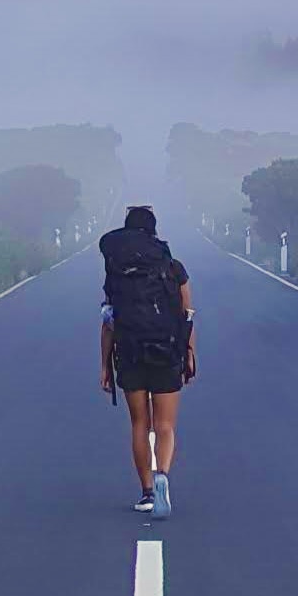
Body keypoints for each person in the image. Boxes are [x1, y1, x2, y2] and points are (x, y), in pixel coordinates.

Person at [98, 205, 194, 518]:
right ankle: (162, 473)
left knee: (140, 423)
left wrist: (104, 366)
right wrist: (189, 353)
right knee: (165, 425)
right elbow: (186, 316)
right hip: (166, 352)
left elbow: (108, 321)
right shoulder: (173, 267)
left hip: (129, 352)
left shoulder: (117, 272)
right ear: (154, 231)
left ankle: (147, 492)